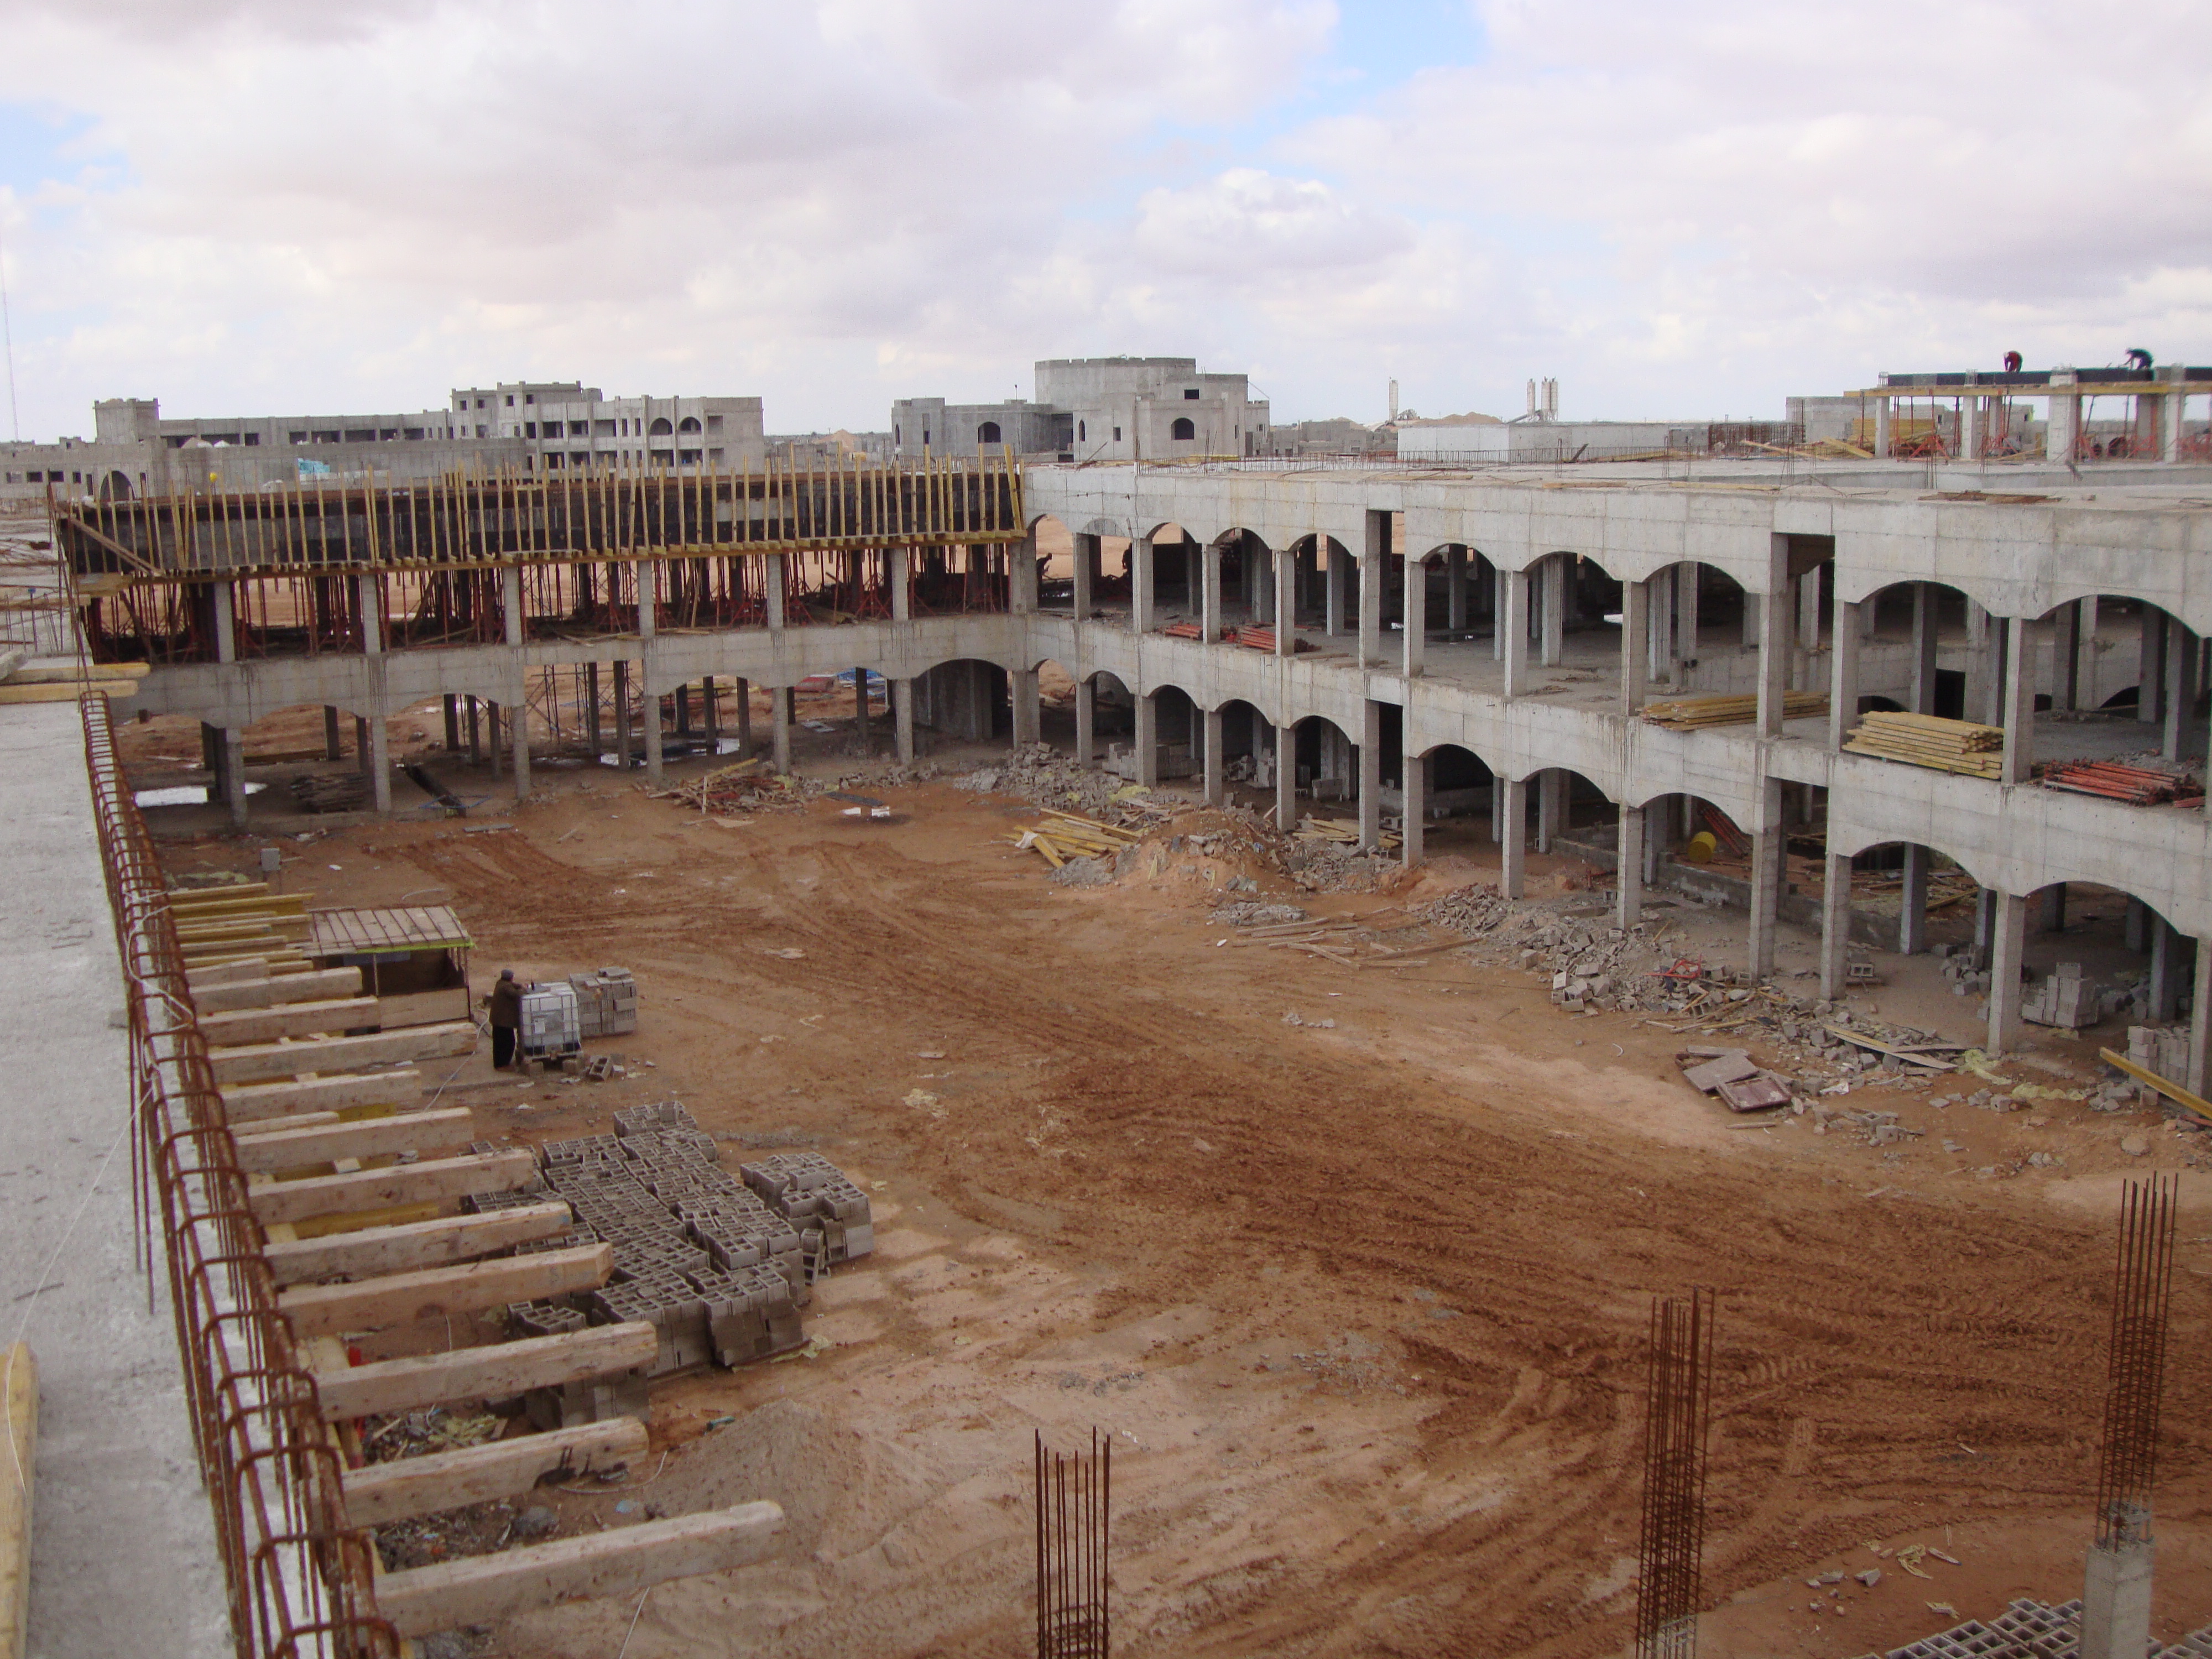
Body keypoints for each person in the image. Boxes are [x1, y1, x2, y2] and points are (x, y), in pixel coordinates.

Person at [488, 968, 525, 1070]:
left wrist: (518, 985)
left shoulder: (500, 984)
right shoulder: (506, 988)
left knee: (498, 1043)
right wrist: (524, 989)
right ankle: (503, 1065)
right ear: (511, 978)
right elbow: (517, 994)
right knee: (508, 1043)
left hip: (497, 1020)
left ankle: (499, 1063)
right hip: (503, 1022)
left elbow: (512, 986)